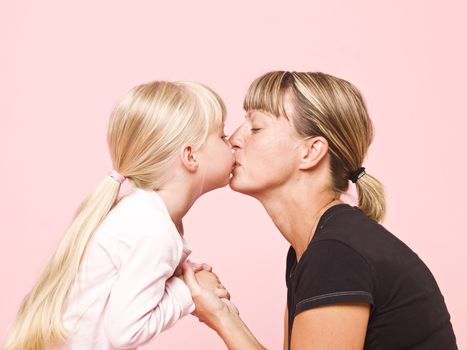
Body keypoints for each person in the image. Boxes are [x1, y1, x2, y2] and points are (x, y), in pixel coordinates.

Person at [183, 71, 458, 349]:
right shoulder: (312, 250)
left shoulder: (336, 255)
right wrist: (220, 312)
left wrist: (220, 317)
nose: (234, 139)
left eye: (255, 127)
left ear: (311, 151)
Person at [4, 80, 233, 350]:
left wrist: (181, 278)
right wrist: (189, 291)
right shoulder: (153, 228)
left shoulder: (143, 214)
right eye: (222, 135)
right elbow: (126, 333)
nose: (233, 143)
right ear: (190, 156)